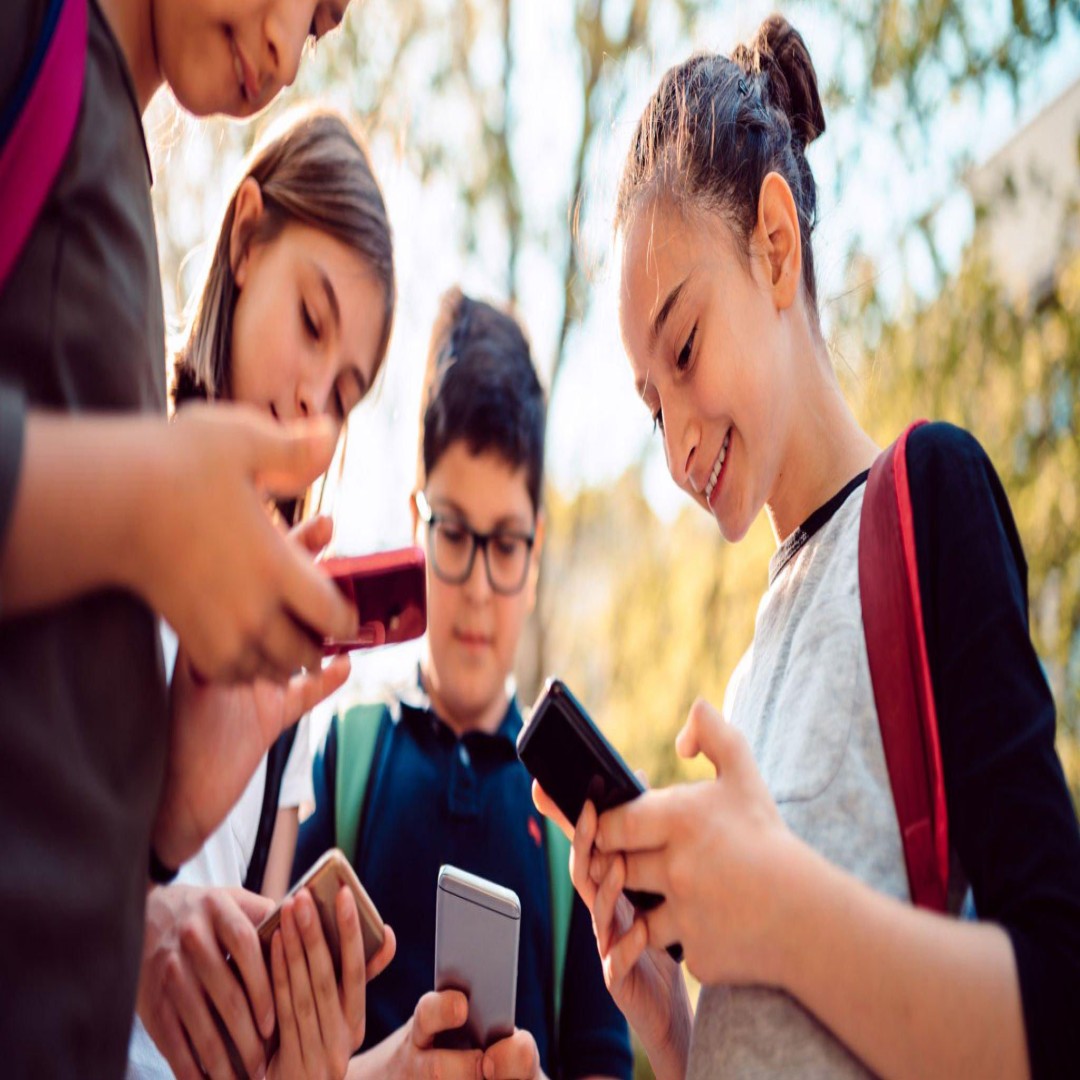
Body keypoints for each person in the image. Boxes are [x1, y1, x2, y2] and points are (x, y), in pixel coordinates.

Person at [534, 14, 1080, 1080]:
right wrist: (670, 1025)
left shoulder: (933, 497)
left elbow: (1058, 1004)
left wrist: (774, 908)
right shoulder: (753, 662)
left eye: (685, 350)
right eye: (651, 407)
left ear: (775, 246)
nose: (679, 440)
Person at [0, 2, 365, 1074]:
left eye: (326, 26)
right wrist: (142, 505)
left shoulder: (118, 179)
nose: (293, 51)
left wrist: (162, 830)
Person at [293, 288, 634, 1080]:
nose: (479, 586)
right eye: (453, 533)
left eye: (506, 543)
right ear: (416, 522)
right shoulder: (347, 761)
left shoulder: (575, 817)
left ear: (538, 546)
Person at [127, 108, 398, 1080]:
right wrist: (139, 902)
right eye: (311, 324)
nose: (310, 409)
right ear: (245, 237)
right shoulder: (100, 487)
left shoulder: (292, 698)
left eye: (347, 394)